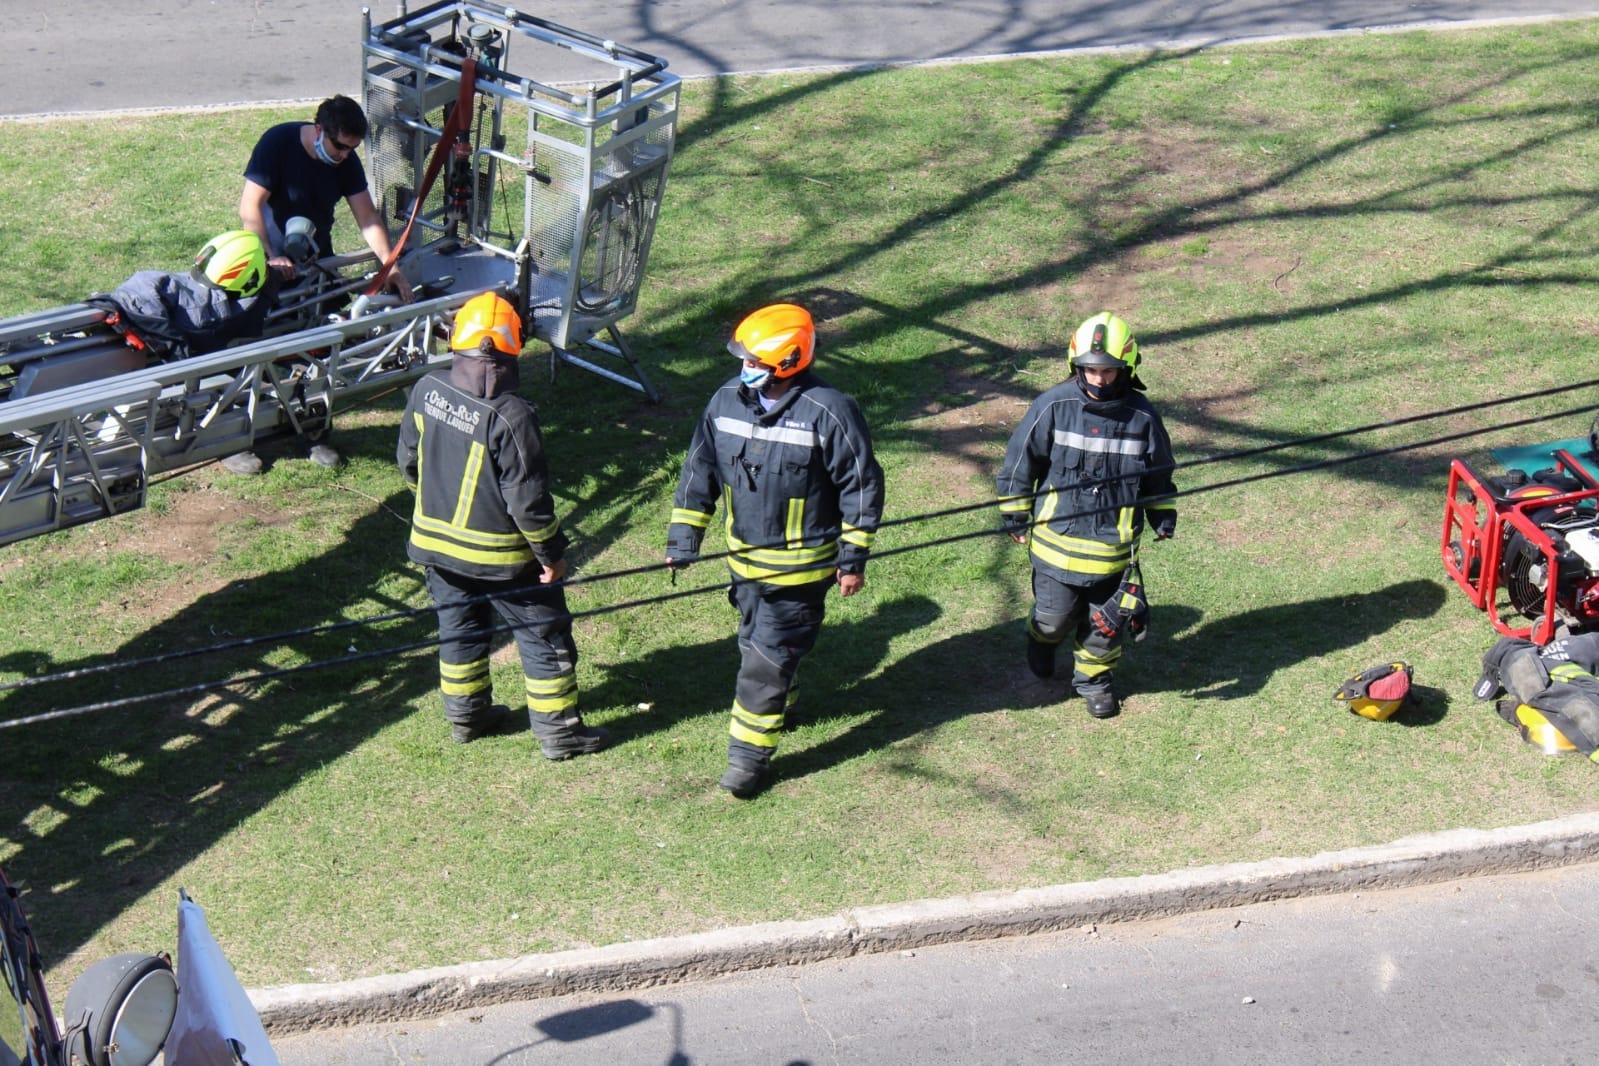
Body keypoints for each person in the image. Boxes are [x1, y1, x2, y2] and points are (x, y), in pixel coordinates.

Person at [665, 303, 885, 798]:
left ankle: (746, 761)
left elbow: (862, 487)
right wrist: (684, 538)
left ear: (789, 361)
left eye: (757, 363)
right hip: (744, 567)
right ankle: (784, 701)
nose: (746, 370)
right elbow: (698, 472)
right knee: (753, 645)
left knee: (762, 666)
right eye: (744, 360)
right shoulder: (724, 402)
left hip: (800, 576)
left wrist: (853, 559)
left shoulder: (830, 411)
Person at [397, 291, 610, 759]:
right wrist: (552, 555)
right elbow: (527, 501)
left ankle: (468, 719)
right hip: (507, 564)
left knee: (460, 631)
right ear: (512, 348)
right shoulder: (512, 415)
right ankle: (561, 736)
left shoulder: (427, 390)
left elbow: (409, 463)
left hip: (436, 550)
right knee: (544, 638)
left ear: (458, 341)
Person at [996, 311, 1177, 719]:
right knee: (1053, 618)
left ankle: (1094, 682)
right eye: (1090, 370)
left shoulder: (1144, 418)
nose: (1098, 378)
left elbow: (1159, 474)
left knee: (1104, 627)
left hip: (1112, 553)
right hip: (1054, 548)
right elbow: (1020, 463)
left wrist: (1162, 514)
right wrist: (1015, 514)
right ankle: (1041, 642)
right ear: (1075, 365)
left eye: (1109, 371)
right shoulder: (1052, 407)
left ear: (1127, 368)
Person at [231, 94, 413, 474]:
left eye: (352, 149)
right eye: (339, 146)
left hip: (315, 260)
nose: (344, 155)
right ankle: (240, 436)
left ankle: (314, 430)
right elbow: (250, 207)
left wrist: (389, 266)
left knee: (320, 346)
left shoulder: (346, 161)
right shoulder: (277, 144)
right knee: (256, 346)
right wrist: (269, 254)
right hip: (268, 261)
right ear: (319, 131)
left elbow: (366, 216)